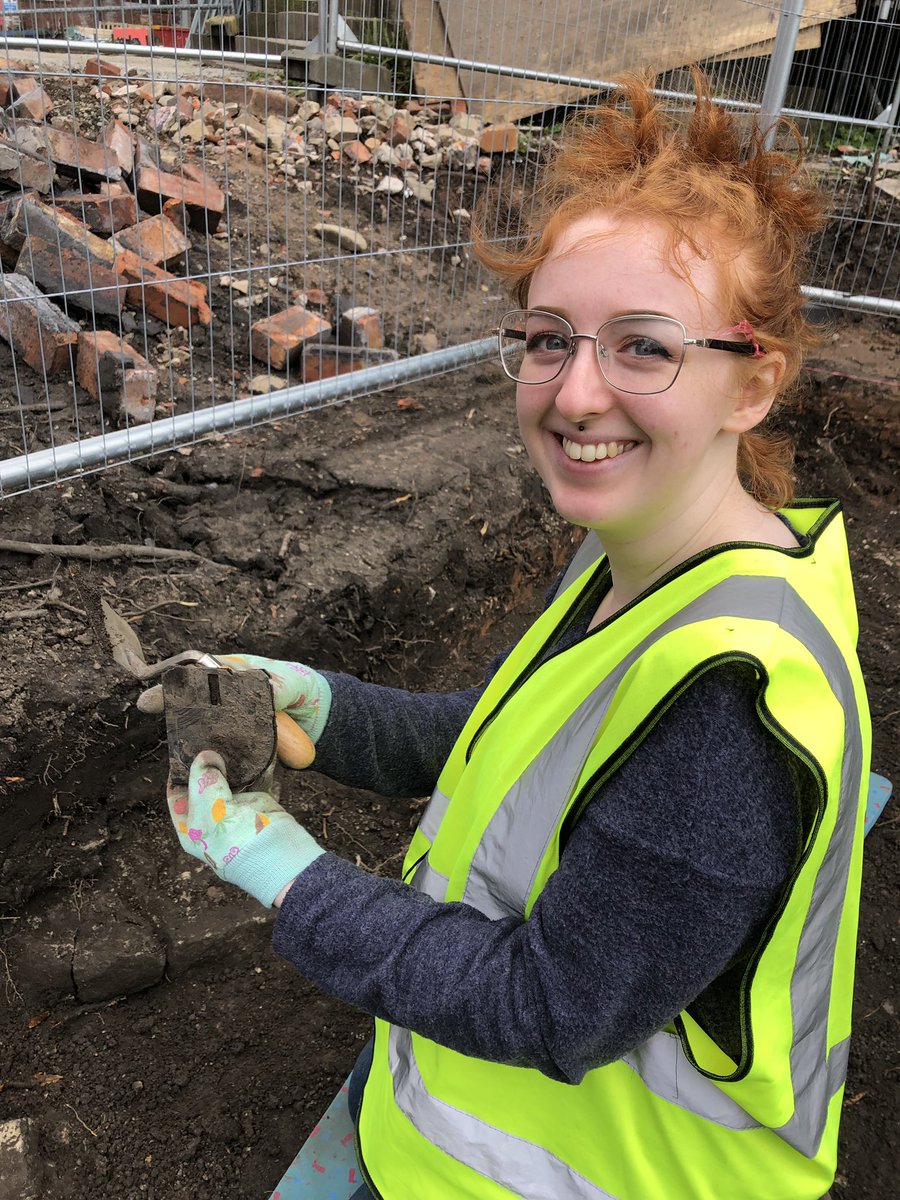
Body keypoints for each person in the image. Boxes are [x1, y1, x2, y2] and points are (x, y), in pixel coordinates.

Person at [151, 72, 871, 1200]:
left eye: (645, 347)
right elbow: (520, 750)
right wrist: (328, 710)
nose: (577, 393)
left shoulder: (727, 703)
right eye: (548, 339)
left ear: (753, 384)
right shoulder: (650, 560)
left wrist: (291, 878)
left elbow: (548, 1004)